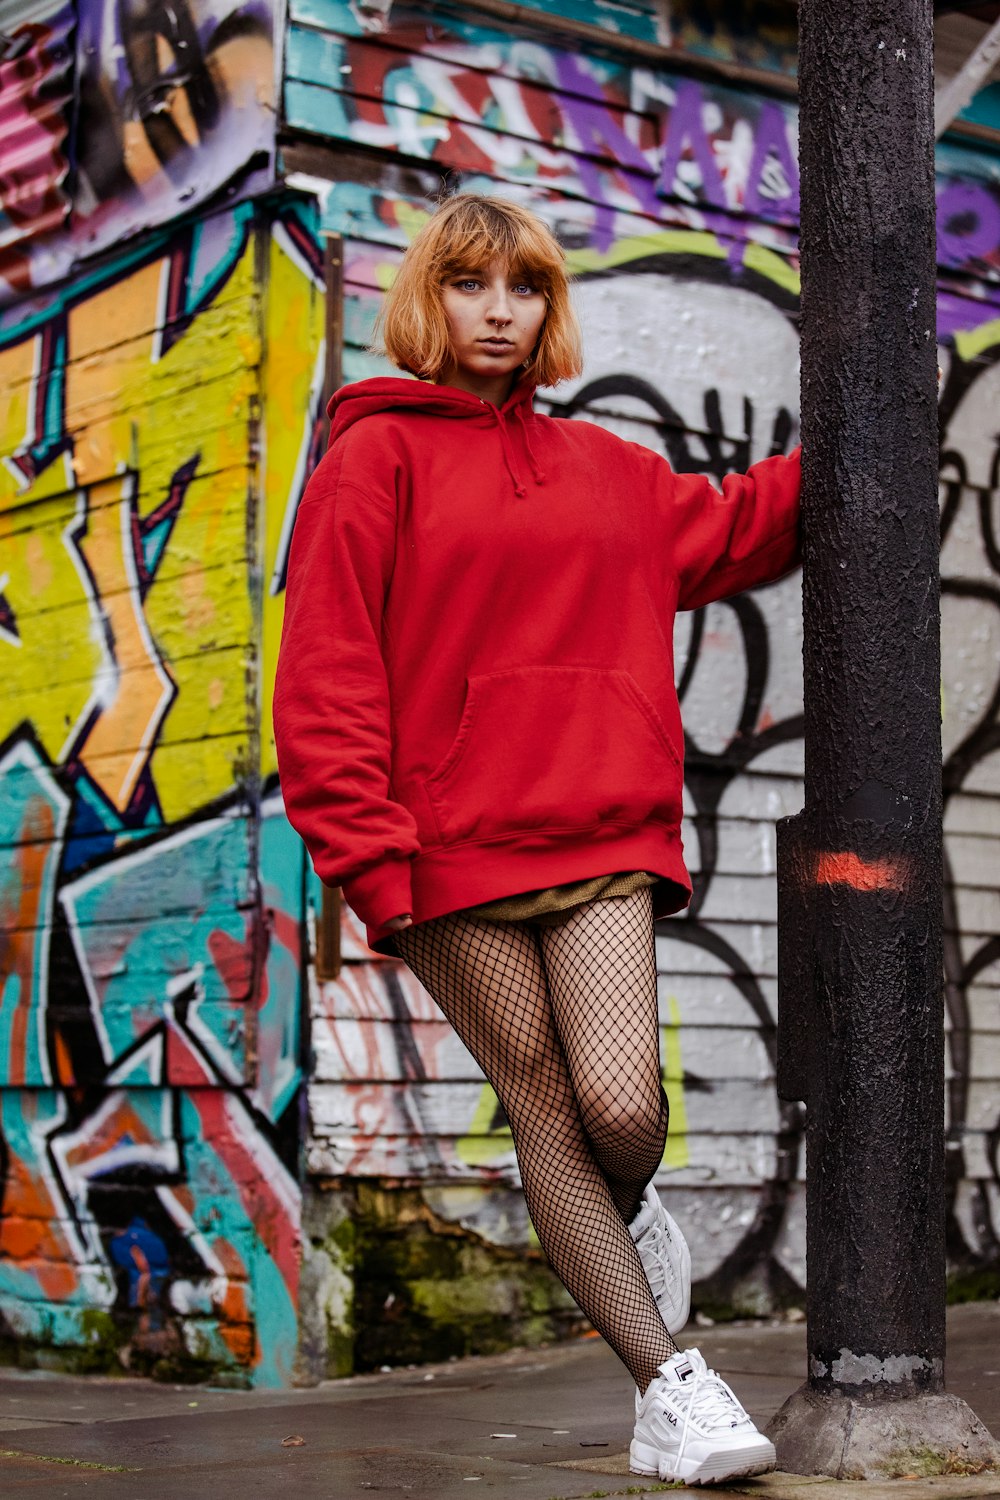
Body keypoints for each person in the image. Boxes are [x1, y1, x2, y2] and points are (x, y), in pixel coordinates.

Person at [273, 193, 801, 1485]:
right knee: (545, 1099)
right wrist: (372, 862)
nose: (498, 310)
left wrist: (859, 405)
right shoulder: (371, 462)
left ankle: (616, 1219)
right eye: (470, 285)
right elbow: (328, 675)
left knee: (620, 1105)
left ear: (548, 306)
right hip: (446, 853)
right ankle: (671, 1387)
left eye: (522, 287)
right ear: (428, 301)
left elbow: (738, 528)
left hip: (600, 828)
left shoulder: (611, 471)